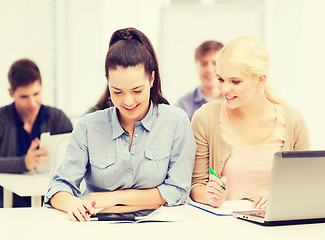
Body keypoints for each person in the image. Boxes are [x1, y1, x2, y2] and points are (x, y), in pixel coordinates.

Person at [45, 27, 196, 221]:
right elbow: (58, 187)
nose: (128, 101)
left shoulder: (176, 122)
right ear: (107, 83)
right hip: (96, 226)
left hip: (158, 226)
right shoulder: (89, 126)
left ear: (151, 79)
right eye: (117, 92)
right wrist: (73, 203)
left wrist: (109, 199)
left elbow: (177, 191)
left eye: (137, 91)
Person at [190, 37, 310, 209]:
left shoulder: (293, 121)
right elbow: (197, 185)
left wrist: (280, 194)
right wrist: (210, 196)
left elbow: (306, 184)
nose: (224, 89)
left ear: (260, 80)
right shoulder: (206, 117)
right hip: (225, 226)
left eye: (235, 81)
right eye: (221, 79)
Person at [0, 58, 73, 207]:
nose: (32, 103)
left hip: (50, 198)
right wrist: (23, 163)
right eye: (24, 97)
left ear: (42, 87)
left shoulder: (58, 118)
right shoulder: (2, 119)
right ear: (11, 93)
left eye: (36, 93)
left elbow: (77, 158)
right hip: (7, 200)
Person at [175, 40, 223, 120]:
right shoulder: (183, 105)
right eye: (204, 64)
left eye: (215, 63)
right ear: (196, 66)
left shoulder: (236, 101)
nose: (210, 69)